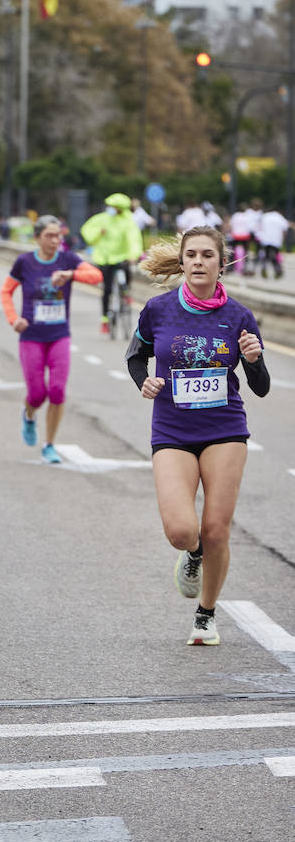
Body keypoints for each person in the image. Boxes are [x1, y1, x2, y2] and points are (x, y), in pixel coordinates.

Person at [126, 226, 270, 645]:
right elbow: (136, 356)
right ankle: (192, 555)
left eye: (208, 255)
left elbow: (259, 385)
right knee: (182, 532)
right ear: (183, 260)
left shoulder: (239, 316)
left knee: (216, 530)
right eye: (192, 255)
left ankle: (205, 615)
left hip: (224, 427)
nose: (199, 262)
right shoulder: (158, 309)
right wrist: (144, 383)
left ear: (220, 263)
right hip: (172, 428)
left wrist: (253, 360)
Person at [0, 215, 102, 464]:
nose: (56, 240)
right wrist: (14, 319)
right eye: (50, 236)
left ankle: (49, 445)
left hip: (59, 336)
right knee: (37, 394)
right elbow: (6, 291)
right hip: (31, 336)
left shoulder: (68, 259)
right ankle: (29, 415)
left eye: (59, 236)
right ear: (37, 238)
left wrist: (70, 275)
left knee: (57, 391)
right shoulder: (25, 262)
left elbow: (96, 276)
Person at [79, 192, 143, 333]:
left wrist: (133, 255)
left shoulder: (128, 222)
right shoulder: (103, 219)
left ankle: (125, 293)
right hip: (105, 258)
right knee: (106, 289)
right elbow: (88, 233)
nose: (112, 209)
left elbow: (134, 240)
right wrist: (98, 233)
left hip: (122, 257)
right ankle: (105, 319)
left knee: (126, 273)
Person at [254, 201, 288, 279]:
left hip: (265, 239)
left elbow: (258, 228)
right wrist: (283, 239)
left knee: (267, 254)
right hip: (276, 240)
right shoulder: (279, 217)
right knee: (273, 254)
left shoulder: (264, 216)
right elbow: (285, 228)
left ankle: (265, 267)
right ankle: (277, 268)